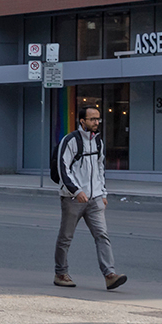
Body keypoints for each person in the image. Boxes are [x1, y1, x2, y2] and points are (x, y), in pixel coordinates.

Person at [55, 105, 128, 290]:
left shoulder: (98, 142)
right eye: (92, 119)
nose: (96, 122)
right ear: (83, 121)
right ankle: (60, 273)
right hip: (73, 198)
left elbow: (100, 169)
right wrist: (76, 191)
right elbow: (62, 167)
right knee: (66, 237)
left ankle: (110, 274)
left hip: (95, 199)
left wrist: (103, 193)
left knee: (102, 235)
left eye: (98, 119)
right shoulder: (70, 141)